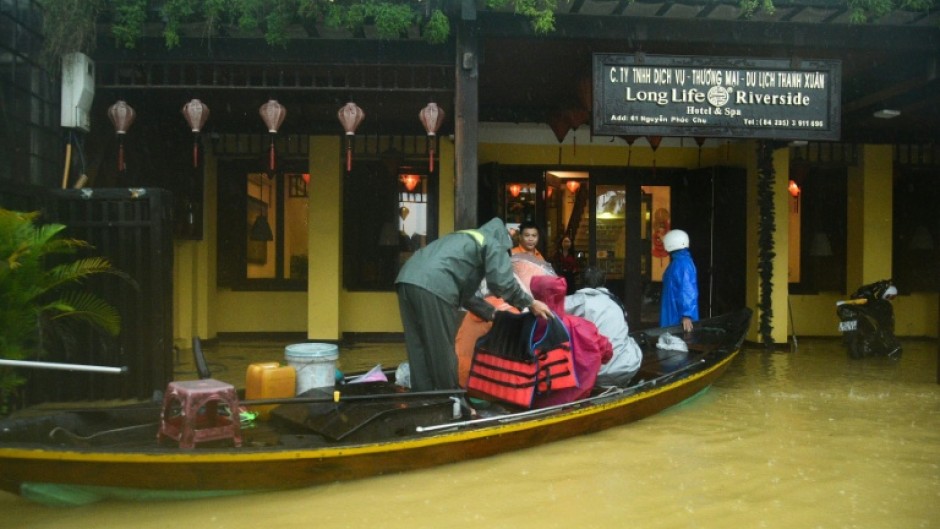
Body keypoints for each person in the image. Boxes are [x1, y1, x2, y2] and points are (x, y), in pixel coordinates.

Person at [396, 217, 552, 391]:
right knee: (442, 350)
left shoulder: (468, 237)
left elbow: (466, 293)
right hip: (435, 285)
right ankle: (451, 402)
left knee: (418, 346)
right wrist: (530, 302)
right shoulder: (494, 242)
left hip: (406, 278)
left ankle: (423, 400)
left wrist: (490, 313)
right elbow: (501, 283)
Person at [529, 275, 612, 407]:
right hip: (576, 398)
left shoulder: (523, 326)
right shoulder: (581, 326)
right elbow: (607, 352)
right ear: (562, 294)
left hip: (534, 402)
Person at [564, 266, 642, 386]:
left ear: (580, 281)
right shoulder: (615, 301)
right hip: (628, 367)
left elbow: (551, 309)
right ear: (604, 282)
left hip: (597, 373)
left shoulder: (579, 301)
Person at [660, 229, 699, 332]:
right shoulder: (679, 262)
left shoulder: (682, 264)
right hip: (674, 313)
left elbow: (688, 289)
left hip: (677, 317)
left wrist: (686, 315)